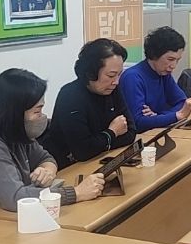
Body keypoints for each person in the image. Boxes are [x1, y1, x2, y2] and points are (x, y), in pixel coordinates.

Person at [0, 69, 105, 229]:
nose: (42, 116)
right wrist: (76, 193)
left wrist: (47, 170)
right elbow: (16, 198)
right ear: (16, 112)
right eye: (37, 111)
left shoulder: (16, 133)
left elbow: (46, 158)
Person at [40, 39, 136, 169]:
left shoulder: (113, 89)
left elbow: (130, 133)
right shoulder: (70, 96)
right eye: (111, 75)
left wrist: (101, 143)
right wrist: (112, 132)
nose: (116, 82)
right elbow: (83, 151)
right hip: (70, 167)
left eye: (119, 75)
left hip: (102, 160)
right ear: (91, 73)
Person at [119, 26, 191, 131]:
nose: (173, 66)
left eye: (177, 60)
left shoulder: (164, 73)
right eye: (170, 59)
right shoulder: (132, 78)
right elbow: (138, 122)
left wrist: (158, 116)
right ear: (154, 54)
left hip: (159, 131)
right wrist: (176, 116)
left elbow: (182, 103)